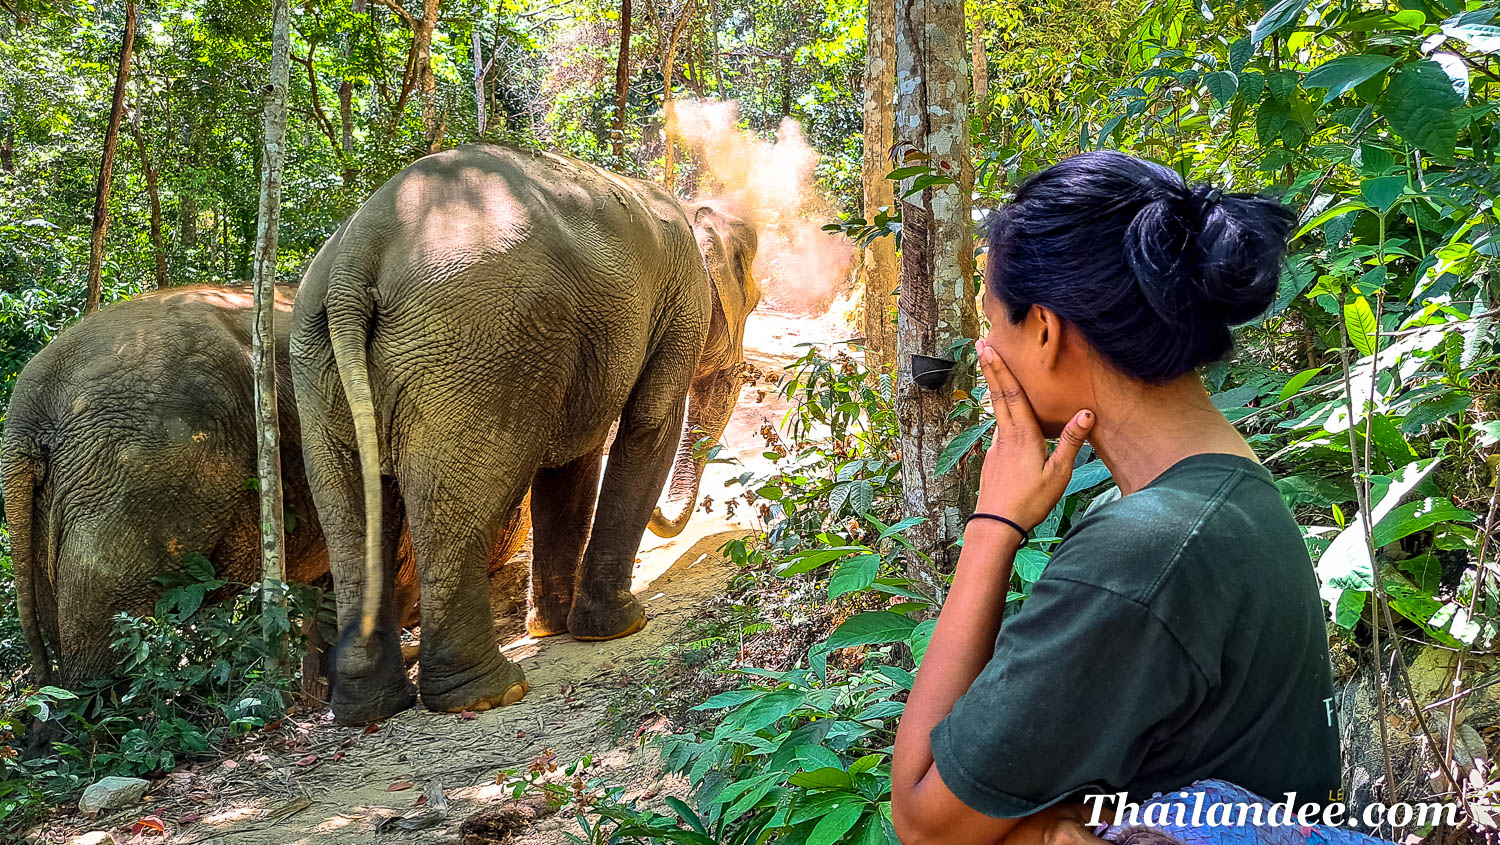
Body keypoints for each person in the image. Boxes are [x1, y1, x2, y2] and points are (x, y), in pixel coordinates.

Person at [889, 150, 1344, 845]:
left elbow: (924, 822)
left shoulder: (1141, 554)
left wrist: (992, 523)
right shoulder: (1232, 490)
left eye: (991, 318)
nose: (984, 346)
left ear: (1044, 330)